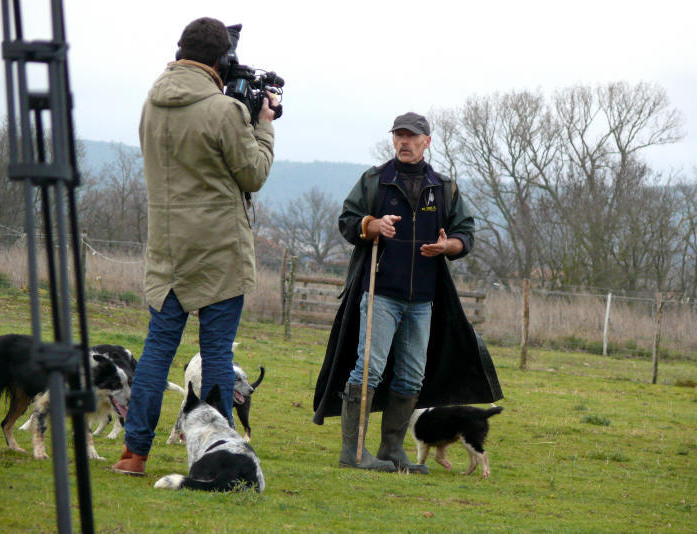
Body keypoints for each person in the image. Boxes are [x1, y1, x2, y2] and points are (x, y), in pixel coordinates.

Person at [113, 17, 277, 476]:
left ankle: (133, 455)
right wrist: (262, 124)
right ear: (220, 60)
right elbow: (254, 174)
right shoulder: (225, 111)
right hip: (218, 253)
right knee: (218, 353)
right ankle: (215, 451)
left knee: (157, 353)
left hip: (166, 252)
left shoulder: (152, 101)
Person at [313, 112, 503, 473]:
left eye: (412, 136)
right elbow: (347, 221)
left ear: (426, 141)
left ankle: (391, 452)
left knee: (411, 377)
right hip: (380, 292)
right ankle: (353, 453)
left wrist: (451, 247)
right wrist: (372, 225)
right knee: (368, 371)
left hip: (424, 301)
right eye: (399, 135)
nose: (404, 141)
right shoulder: (375, 182)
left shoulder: (444, 188)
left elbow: (466, 232)